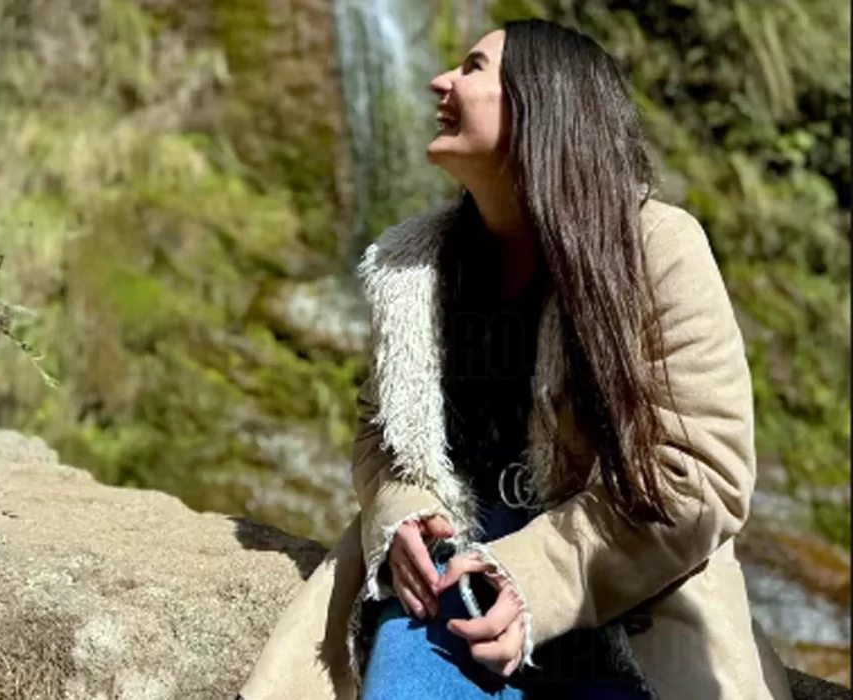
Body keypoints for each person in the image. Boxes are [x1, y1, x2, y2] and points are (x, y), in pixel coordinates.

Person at [239, 19, 794, 700]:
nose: (440, 82)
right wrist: (403, 517)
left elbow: (705, 475)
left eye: (473, 68)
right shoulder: (413, 265)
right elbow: (381, 439)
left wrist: (533, 577)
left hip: (620, 581)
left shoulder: (657, 250)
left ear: (544, 101)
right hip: (443, 581)